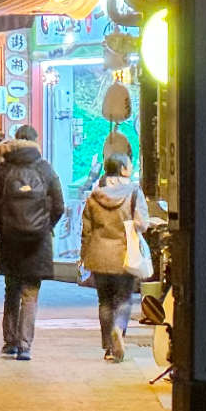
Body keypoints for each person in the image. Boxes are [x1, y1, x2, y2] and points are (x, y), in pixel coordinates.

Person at [0, 124, 63, 361]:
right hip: (38, 241)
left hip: (10, 240)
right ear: (36, 141)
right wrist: (45, 226)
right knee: (31, 292)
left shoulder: (4, 169)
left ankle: (10, 343)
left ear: (15, 141)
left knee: (12, 290)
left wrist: (4, 227)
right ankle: (25, 345)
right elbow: (59, 205)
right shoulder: (45, 169)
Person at [80, 155, 148, 362]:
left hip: (99, 254)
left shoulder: (94, 196)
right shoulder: (134, 193)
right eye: (129, 164)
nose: (132, 167)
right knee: (123, 299)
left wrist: (84, 256)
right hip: (124, 254)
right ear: (122, 169)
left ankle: (109, 347)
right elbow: (142, 223)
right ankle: (119, 328)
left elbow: (86, 230)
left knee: (105, 301)